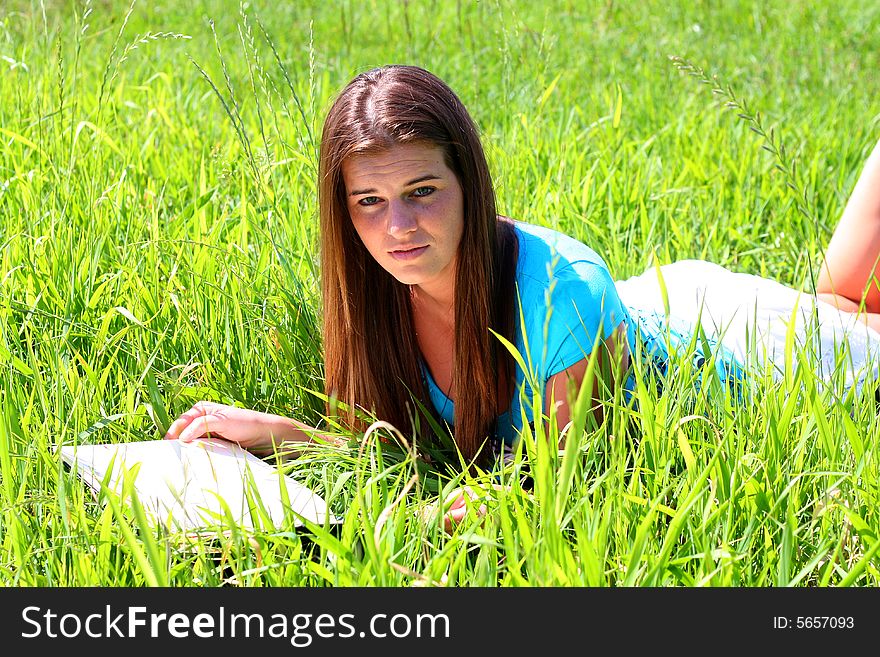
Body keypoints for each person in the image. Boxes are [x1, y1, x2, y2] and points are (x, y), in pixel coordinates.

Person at [164, 64, 880, 528]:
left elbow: (568, 487)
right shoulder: (374, 292)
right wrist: (275, 432)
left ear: (469, 183)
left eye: (421, 192)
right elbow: (391, 452)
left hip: (758, 359)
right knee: (842, 295)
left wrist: (428, 530)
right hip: (653, 302)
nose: (399, 228)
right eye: (369, 202)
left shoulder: (556, 297)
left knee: (851, 317)